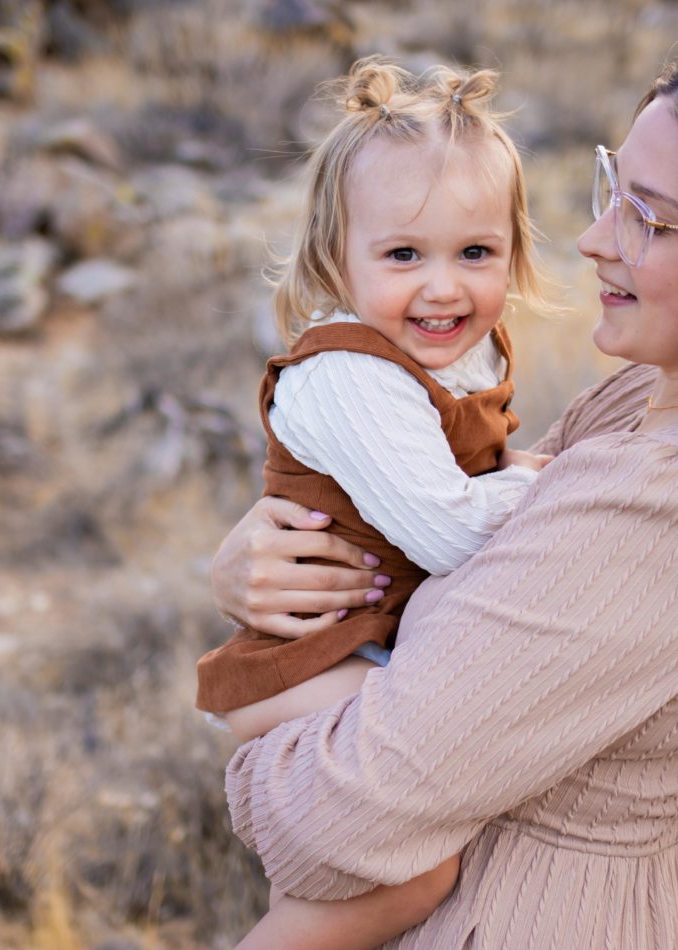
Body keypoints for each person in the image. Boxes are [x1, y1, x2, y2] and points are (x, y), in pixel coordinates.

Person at [215, 61, 678, 948]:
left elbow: (336, 821)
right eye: (611, 187)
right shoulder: (638, 397)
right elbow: (462, 515)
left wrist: (272, 742)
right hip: (341, 660)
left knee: (382, 881)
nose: (592, 238)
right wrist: (252, 561)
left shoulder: (649, 507)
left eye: (649, 216)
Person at [196, 56, 552, 949]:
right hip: (309, 662)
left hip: (368, 642)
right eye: (403, 255)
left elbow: (483, 477)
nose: (443, 287)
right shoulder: (351, 373)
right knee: (411, 874)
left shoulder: (454, 356)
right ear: (335, 258)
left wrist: (538, 472)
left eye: (476, 253)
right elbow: (450, 527)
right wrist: (563, 487)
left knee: (426, 868)